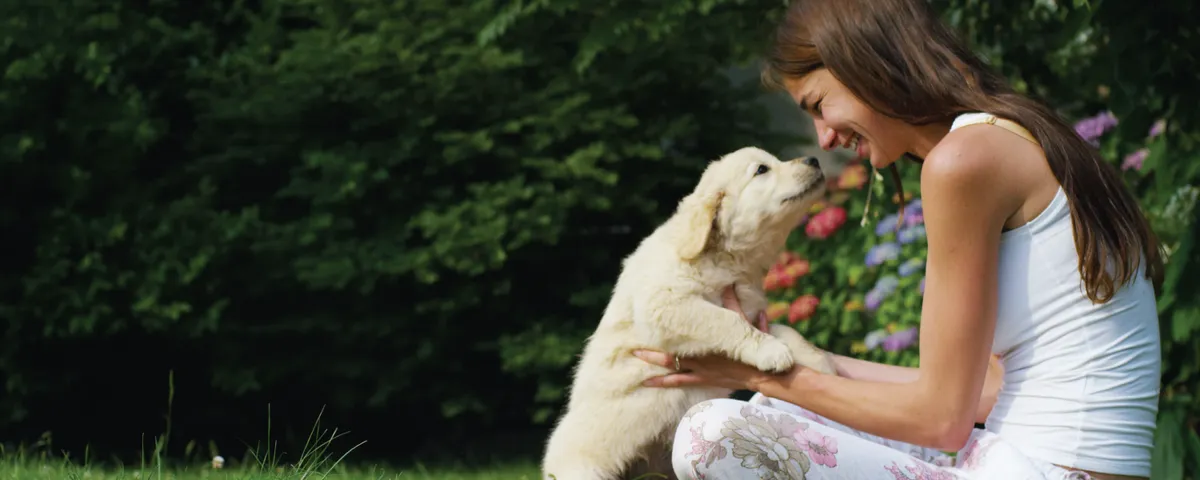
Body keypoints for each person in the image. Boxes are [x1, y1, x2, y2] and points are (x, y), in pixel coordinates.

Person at [630, 0, 1164, 479]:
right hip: (1021, 459)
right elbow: (990, 390)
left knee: (712, 434)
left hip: (1046, 471)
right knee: (788, 405)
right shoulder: (1008, 135)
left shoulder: (964, 161)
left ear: (864, 63)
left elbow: (942, 419)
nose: (824, 138)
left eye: (819, 105)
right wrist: (795, 356)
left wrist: (756, 373)